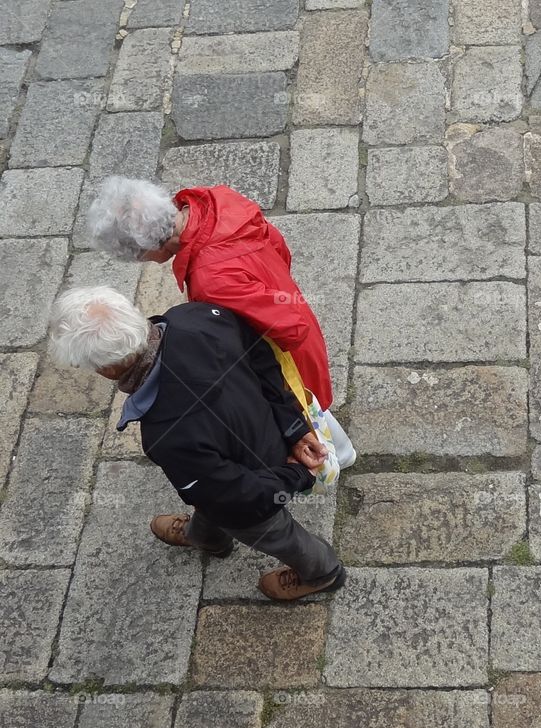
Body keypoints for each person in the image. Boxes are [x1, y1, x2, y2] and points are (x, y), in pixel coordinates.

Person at [48, 286, 346, 601]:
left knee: (274, 531)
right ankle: (206, 538)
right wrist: (293, 426)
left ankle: (322, 572)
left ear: (107, 369)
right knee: (207, 495)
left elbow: (236, 496)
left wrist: (294, 475)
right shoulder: (194, 316)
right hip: (264, 440)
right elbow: (262, 357)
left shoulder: (166, 435)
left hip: (259, 487)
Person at [86, 176, 355, 479]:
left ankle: (338, 457)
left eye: (137, 256)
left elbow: (281, 331)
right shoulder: (214, 200)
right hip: (286, 299)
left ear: (146, 247)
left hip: (286, 352)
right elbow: (278, 247)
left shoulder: (211, 281)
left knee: (307, 408)